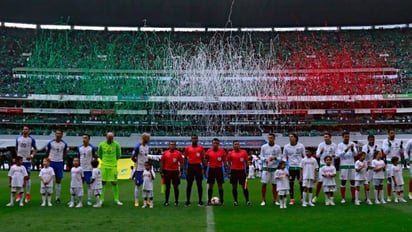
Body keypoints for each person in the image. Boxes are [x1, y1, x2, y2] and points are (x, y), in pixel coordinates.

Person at [98, 132, 123, 205]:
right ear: (106, 137)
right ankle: (101, 200)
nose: (110, 139)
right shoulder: (101, 145)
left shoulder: (116, 145)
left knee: (114, 182)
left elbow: (118, 155)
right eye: (109, 138)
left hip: (113, 166)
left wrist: (113, 161)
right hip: (104, 165)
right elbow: (100, 155)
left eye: (112, 138)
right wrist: (105, 161)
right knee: (103, 182)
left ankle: (116, 199)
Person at [45, 129, 68, 204]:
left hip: (59, 163)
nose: (58, 135)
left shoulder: (64, 144)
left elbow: (65, 154)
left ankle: (57, 197)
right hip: (51, 162)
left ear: (62, 135)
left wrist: (62, 160)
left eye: (59, 133)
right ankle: (47, 196)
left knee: (58, 180)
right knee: (48, 179)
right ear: (55, 134)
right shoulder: (51, 143)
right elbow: (47, 152)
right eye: (57, 133)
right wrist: (47, 160)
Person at [15, 126, 37, 203]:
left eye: (27, 129)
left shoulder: (31, 139)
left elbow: (35, 149)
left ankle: (28, 194)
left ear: (29, 130)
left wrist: (31, 156)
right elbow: (16, 148)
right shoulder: (18, 138)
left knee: (27, 177)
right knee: (18, 177)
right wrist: (17, 157)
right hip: (19, 160)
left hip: (27, 161)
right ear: (22, 130)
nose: (25, 130)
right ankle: (19, 194)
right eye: (24, 129)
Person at [259, 133, 282, 206]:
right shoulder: (263, 147)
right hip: (266, 168)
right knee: (264, 184)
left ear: (274, 139)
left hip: (274, 168)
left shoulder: (278, 147)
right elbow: (261, 156)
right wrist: (265, 160)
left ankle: (275, 200)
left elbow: (280, 157)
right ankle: (263, 200)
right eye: (269, 138)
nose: (270, 139)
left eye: (271, 138)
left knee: (274, 184)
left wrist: (274, 158)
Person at [313, 132, 336, 203]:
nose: (325, 138)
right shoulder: (321, 145)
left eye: (327, 137)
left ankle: (330, 199)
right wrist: (321, 152)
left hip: (331, 166)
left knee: (331, 182)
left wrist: (335, 155)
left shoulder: (334, 145)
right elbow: (317, 155)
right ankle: (316, 196)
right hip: (323, 166)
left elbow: (337, 154)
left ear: (330, 137)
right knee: (320, 182)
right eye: (324, 137)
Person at [282, 132, 305, 205]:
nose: (290, 138)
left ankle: (302, 198)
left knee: (301, 183)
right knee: (290, 184)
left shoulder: (301, 146)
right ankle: (292, 199)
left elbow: (304, 156)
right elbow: (284, 157)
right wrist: (285, 165)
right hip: (291, 167)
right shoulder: (286, 146)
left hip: (299, 167)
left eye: (292, 136)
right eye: (289, 137)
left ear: (295, 138)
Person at [382, 128, 404, 202]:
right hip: (389, 163)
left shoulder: (398, 141)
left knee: (399, 180)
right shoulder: (385, 141)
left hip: (398, 163)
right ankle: (389, 196)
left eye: (393, 133)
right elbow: (385, 152)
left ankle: (399, 197)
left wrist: (401, 147)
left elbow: (401, 152)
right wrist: (389, 145)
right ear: (388, 134)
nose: (393, 134)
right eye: (391, 133)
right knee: (389, 180)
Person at [183, 135, 206, 207]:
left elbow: (203, 158)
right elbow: (185, 159)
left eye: (195, 138)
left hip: (198, 167)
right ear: (191, 139)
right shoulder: (187, 148)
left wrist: (204, 168)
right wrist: (185, 168)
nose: (194, 140)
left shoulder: (201, 148)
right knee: (189, 185)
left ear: (197, 139)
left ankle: (200, 201)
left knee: (199, 184)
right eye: (193, 138)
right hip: (190, 167)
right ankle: (188, 201)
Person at [160, 141, 184, 206]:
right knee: (167, 187)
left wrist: (180, 171)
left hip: (175, 172)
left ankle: (176, 201)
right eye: (171, 145)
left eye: (173, 145)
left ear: (175, 146)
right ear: (169, 146)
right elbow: (162, 162)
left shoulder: (178, 153)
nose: (172, 146)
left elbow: (181, 162)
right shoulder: (165, 153)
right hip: (167, 171)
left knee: (176, 187)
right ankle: (166, 201)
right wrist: (161, 171)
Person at [227, 140, 251, 206]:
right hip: (234, 171)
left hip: (242, 172)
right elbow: (229, 164)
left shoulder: (244, 152)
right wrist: (229, 172)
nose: (236, 145)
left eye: (237, 144)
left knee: (245, 187)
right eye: (235, 144)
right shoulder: (230, 153)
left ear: (239, 145)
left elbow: (246, 162)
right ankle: (235, 201)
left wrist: (247, 171)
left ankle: (247, 200)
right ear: (233, 146)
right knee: (234, 187)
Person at [205, 138, 227, 206]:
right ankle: (209, 201)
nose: (215, 144)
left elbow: (224, 161)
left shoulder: (222, 151)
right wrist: (206, 169)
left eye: (217, 143)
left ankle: (222, 201)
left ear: (218, 144)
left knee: (220, 185)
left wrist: (225, 170)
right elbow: (206, 160)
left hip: (219, 169)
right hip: (211, 169)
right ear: (212, 144)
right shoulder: (209, 151)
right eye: (214, 143)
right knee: (210, 186)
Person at [336, 131, 357, 203]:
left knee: (353, 181)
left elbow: (355, 154)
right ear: (343, 137)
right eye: (345, 137)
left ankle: (354, 197)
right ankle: (343, 198)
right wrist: (346, 149)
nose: (347, 138)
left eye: (348, 136)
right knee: (343, 181)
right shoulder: (340, 145)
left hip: (351, 165)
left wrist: (352, 149)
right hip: (343, 165)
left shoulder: (352, 144)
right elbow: (339, 155)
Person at [130, 133, 151, 207]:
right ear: (144, 138)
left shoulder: (147, 147)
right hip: (139, 169)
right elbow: (132, 157)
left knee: (147, 185)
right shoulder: (138, 146)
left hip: (146, 169)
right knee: (137, 185)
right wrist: (137, 163)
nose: (149, 139)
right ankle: (136, 201)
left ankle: (147, 200)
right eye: (148, 138)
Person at [77, 134, 97, 206]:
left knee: (89, 184)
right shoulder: (79, 147)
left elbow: (95, 157)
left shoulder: (92, 148)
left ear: (89, 139)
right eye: (83, 138)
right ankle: (78, 199)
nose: (84, 139)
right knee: (79, 185)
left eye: (85, 138)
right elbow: (78, 157)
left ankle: (89, 199)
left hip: (89, 169)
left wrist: (93, 167)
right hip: (81, 169)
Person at [361, 134, 380, 200]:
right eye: (370, 139)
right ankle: (367, 197)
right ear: (368, 140)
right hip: (368, 167)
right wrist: (367, 152)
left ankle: (377, 197)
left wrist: (375, 152)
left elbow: (379, 156)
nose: (372, 141)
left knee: (377, 182)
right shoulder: (364, 147)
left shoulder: (377, 146)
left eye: (373, 139)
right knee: (367, 182)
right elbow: (363, 156)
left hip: (376, 166)